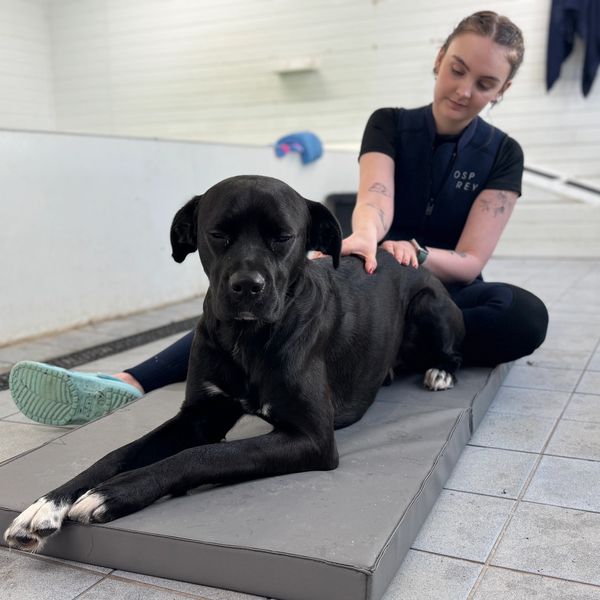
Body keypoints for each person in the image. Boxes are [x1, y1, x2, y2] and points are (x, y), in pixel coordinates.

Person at [9, 10, 548, 426]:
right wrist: (364, 237)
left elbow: (474, 257)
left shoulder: (503, 152)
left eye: (483, 83)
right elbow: (375, 197)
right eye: (457, 69)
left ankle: (399, 347)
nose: (463, 89)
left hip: (444, 285)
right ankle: (129, 380)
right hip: (370, 266)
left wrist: (421, 255)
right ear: (439, 59)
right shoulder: (390, 123)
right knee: (261, 297)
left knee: (521, 315)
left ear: (501, 91)